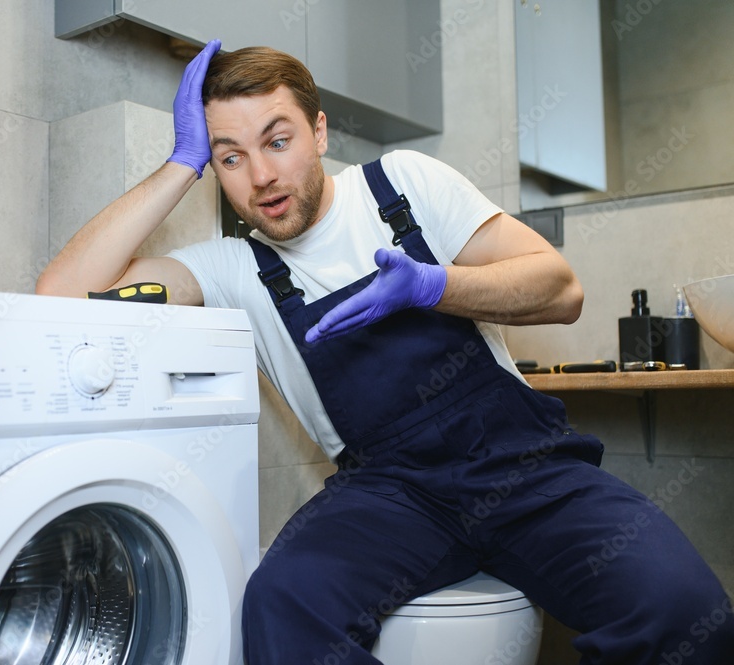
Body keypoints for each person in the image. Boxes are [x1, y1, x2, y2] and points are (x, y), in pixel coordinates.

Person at [37, 40, 734, 664]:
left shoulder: (402, 184)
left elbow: (562, 289)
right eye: (230, 157)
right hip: (393, 493)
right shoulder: (230, 269)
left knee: (685, 613)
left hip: (523, 470)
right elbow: (64, 293)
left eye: (277, 140)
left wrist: (435, 287)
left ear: (318, 130)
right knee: (281, 607)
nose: (261, 176)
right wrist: (179, 165)